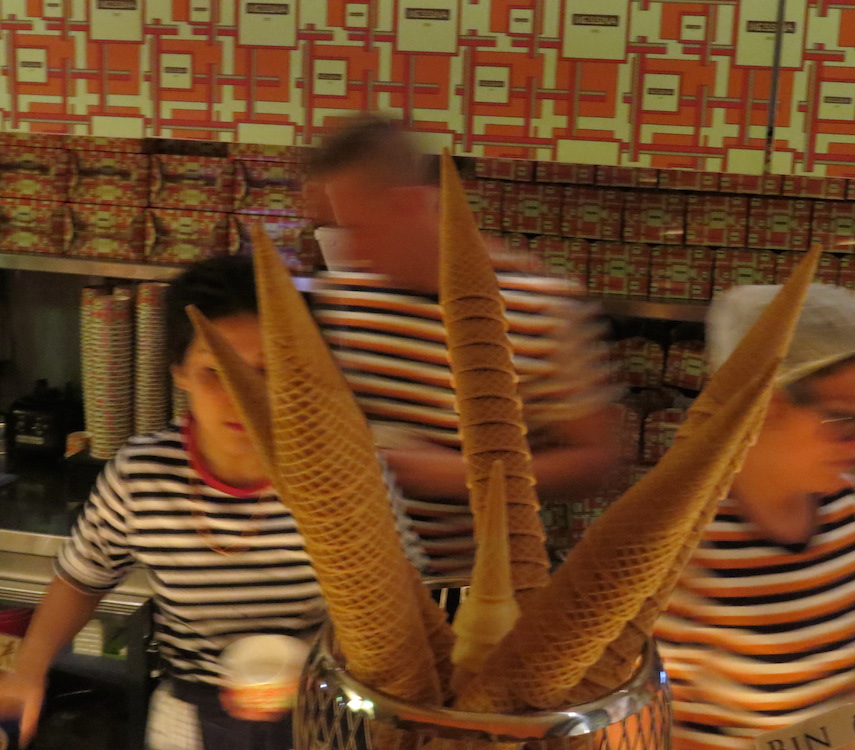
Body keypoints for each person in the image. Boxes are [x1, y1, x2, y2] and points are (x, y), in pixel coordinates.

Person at [0, 257, 324, 750]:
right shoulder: (143, 474)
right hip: (190, 712)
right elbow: (82, 579)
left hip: (322, 711)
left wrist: (316, 667)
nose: (243, 394)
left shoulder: (341, 475)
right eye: (216, 371)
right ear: (180, 372)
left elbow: (392, 603)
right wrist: (29, 669)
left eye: (268, 370)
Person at [304, 115, 620, 575]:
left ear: (410, 204)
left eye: (354, 228)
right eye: (329, 230)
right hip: (351, 578)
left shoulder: (539, 306)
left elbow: (597, 464)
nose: (344, 251)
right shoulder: (344, 296)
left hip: (476, 584)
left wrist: (464, 477)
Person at [655, 284, 855, 750]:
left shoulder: (845, 509)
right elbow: (655, 728)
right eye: (844, 420)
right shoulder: (683, 546)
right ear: (766, 406)